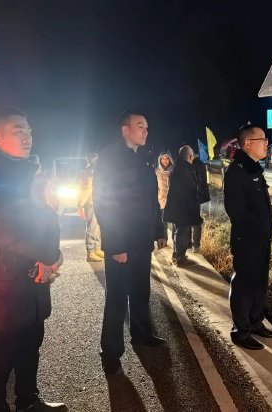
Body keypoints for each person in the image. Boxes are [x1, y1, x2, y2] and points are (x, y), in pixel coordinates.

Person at [0, 107, 67, 412]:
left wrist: (52, 257)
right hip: (2, 284)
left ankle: (28, 401)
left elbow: (47, 218)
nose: (27, 137)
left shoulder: (32, 172)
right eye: (18, 130)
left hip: (32, 278)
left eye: (29, 131)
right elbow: (1, 229)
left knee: (31, 344)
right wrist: (47, 257)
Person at [93, 111, 167, 375]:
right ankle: (110, 352)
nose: (145, 131)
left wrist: (159, 230)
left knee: (140, 290)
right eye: (140, 126)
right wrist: (116, 245)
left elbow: (152, 202)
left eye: (146, 126)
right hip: (121, 244)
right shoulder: (109, 161)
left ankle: (142, 334)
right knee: (116, 298)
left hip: (141, 240)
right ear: (125, 130)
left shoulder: (143, 160)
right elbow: (103, 204)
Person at [223, 124, 272, 350]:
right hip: (247, 240)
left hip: (262, 238)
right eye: (262, 139)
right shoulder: (237, 172)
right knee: (244, 285)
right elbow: (236, 211)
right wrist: (256, 229)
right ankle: (240, 331)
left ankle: (255, 321)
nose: (266, 143)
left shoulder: (253, 168)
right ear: (247, 143)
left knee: (259, 282)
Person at [163, 145, 202, 266]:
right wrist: (193, 207)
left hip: (177, 206)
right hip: (183, 208)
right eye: (193, 156)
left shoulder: (176, 167)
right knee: (182, 232)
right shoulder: (185, 169)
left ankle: (176, 255)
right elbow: (189, 190)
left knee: (177, 231)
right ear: (190, 156)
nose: (193, 158)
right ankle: (180, 259)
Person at [77, 152, 104, 262]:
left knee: (97, 226)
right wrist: (80, 204)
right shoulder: (89, 172)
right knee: (92, 226)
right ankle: (91, 252)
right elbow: (86, 189)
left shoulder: (94, 170)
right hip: (91, 202)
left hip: (97, 201)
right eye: (96, 158)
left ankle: (97, 248)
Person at [190, 153, 210, 253]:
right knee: (195, 220)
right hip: (194, 197)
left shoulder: (195, 164)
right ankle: (194, 245)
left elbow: (201, 182)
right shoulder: (199, 164)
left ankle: (194, 245)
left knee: (194, 221)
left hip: (193, 197)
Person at [155, 152, 174, 241]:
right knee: (163, 221)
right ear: (160, 160)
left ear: (170, 159)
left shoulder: (174, 170)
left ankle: (175, 241)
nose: (165, 161)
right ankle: (164, 240)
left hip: (174, 198)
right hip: (161, 199)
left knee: (175, 221)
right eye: (162, 159)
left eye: (166, 158)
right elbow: (155, 186)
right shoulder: (156, 172)